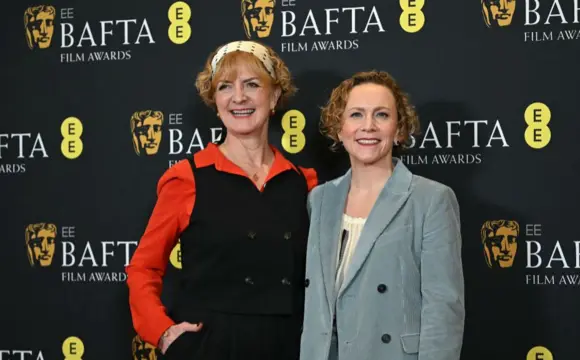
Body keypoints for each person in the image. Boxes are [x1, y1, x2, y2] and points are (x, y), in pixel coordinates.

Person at [125, 40, 318, 360]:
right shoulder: (187, 178)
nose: (238, 97)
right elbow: (142, 268)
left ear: (274, 96)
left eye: (252, 85)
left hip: (288, 346)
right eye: (225, 87)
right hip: (210, 348)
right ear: (215, 102)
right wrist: (163, 333)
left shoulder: (303, 181)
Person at [300, 70, 465, 360]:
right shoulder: (320, 199)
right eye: (356, 115)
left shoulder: (431, 200)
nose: (368, 126)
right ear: (339, 128)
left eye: (381, 115)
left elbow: (444, 308)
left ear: (400, 129)